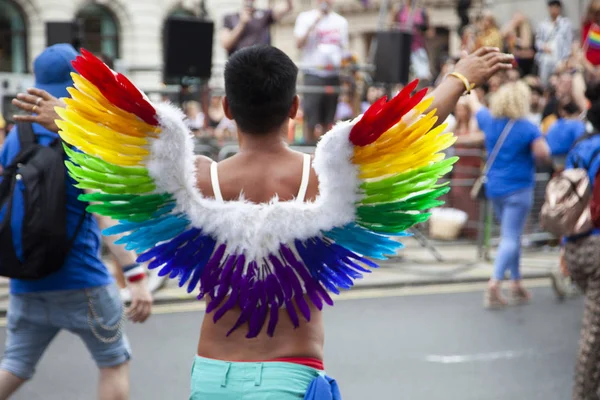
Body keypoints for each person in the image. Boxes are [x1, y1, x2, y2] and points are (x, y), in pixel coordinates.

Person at [21, 44, 515, 398]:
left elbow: (125, 153)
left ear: (227, 109)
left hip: (211, 377)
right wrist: (459, 77)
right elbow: (401, 135)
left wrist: (66, 121)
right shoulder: (322, 184)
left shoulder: (195, 183)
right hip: (289, 375)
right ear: (295, 108)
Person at [0, 44, 153, 399]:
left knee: (15, 365)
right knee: (114, 362)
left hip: (28, 280)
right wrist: (135, 276)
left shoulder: (14, 137)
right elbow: (105, 211)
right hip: (83, 283)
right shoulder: (84, 138)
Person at [468, 81, 551, 308]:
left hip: (495, 188)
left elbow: (474, 105)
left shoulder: (489, 121)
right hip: (519, 187)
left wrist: (469, 84)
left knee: (510, 236)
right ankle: (495, 282)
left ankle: (516, 283)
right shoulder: (528, 127)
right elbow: (543, 153)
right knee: (511, 237)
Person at [562, 82, 600, 400]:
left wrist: (564, 246)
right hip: (598, 244)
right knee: (593, 332)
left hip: (576, 243)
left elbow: (566, 200)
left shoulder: (579, 147)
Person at [294, 0, 349, 144]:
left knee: (328, 119)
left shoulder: (340, 21)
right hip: (313, 74)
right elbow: (298, 43)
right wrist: (314, 23)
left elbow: (344, 48)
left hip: (333, 75)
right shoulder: (305, 17)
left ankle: (324, 153)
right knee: (311, 119)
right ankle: (307, 149)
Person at [449, 98, 484, 239]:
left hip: (472, 169)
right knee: (458, 197)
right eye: (458, 109)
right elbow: (447, 137)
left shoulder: (474, 125)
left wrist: (457, 139)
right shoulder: (456, 126)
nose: (459, 112)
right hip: (460, 169)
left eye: (462, 109)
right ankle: (460, 230)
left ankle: (473, 233)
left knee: (471, 201)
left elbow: (479, 138)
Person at [221, 0, 294, 57]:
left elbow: (287, 7)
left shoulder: (264, 14)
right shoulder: (230, 17)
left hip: (261, 62)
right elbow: (226, 44)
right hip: (239, 63)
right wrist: (241, 24)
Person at [390, 0, 435, 81]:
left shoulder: (423, 11)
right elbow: (390, 28)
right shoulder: (398, 9)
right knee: (401, 78)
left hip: (418, 49)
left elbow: (430, 33)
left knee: (422, 77)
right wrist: (400, 27)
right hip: (402, 49)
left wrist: (421, 30)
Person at [535, 0, 574, 87]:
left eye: (556, 6)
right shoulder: (543, 24)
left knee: (559, 81)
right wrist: (543, 46)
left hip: (560, 57)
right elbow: (537, 41)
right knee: (544, 82)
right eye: (552, 6)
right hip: (546, 57)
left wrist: (565, 59)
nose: (554, 9)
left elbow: (569, 42)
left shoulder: (565, 23)